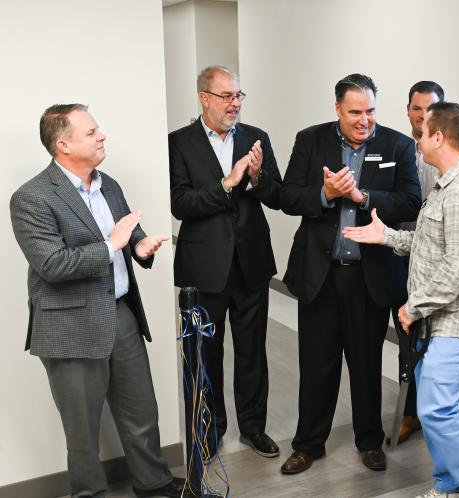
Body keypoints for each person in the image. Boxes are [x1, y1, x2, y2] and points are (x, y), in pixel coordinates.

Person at [10, 104, 183, 498]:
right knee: (82, 428)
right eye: (91, 132)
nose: (101, 135)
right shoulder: (31, 198)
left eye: (98, 129)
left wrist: (139, 245)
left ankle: (154, 484)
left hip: (121, 314)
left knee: (140, 412)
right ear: (64, 144)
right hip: (68, 325)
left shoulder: (109, 183)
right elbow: (52, 264)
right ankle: (89, 493)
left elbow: (126, 231)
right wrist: (112, 245)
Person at [344, 101, 459, 498]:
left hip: (458, 323)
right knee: (435, 412)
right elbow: (430, 244)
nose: (416, 139)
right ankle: (449, 485)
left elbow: (458, 267)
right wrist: (386, 237)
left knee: (435, 408)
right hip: (438, 321)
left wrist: (412, 307)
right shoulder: (447, 182)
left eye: (422, 133)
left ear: (438, 137)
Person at [279, 73, 421, 474]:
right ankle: (308, 444)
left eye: (371, 110)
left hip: (369, 276)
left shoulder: (398, 144)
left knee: (366, 363)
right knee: (317, 365)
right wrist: (327, 194)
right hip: (320, 274)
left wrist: (362, 197)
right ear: (338, 108)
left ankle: (369, 441)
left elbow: (410, 202)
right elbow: (288, 196)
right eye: (355, 111)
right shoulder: (310, 140)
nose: (364, 120)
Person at [169, 65, 282, 464]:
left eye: (238, 96)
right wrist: (226, 184)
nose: (235, 103)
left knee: (253, 353)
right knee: (207, 353)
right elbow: (180, 203)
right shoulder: (178, 143)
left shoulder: (256, 138)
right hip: (204, 267)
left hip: (251, 261)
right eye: (226, 96)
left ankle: (254, 429)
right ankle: (210, 431)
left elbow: (277, 194)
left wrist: (257, 178)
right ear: (204, 98)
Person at [388, 81, 459, 446]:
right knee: (412, 349)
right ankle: (415, 414)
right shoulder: (400, 149)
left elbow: (458, 263)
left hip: (444, 278)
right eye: (417, 110)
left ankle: (458, 426)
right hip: (406, 259)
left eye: (430, 110)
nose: (422, 117)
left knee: (447, 355)